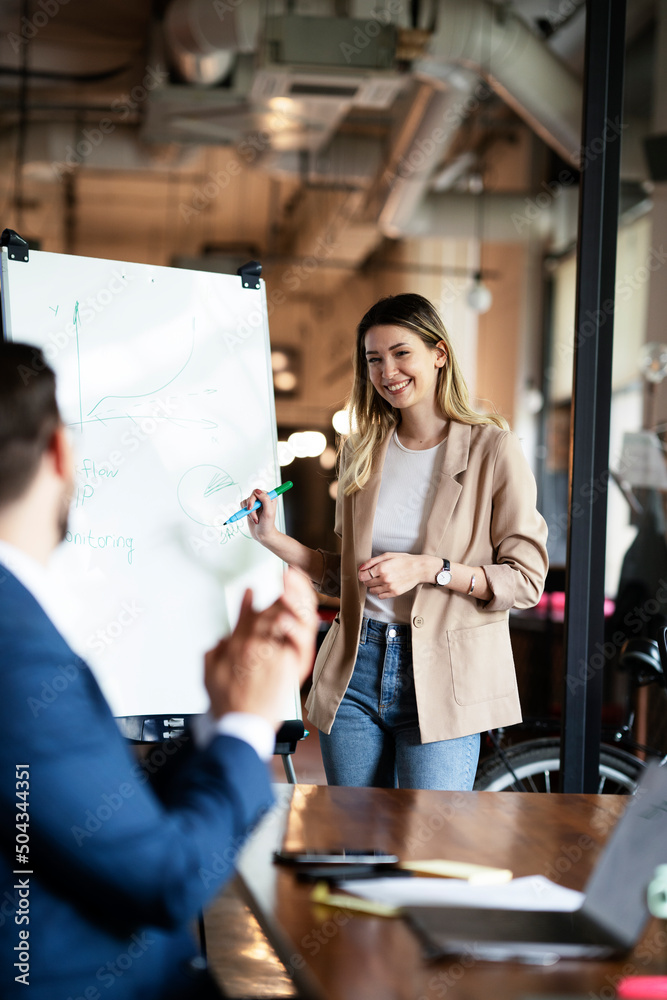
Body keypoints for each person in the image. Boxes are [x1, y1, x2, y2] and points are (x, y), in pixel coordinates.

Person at [0, 342, 317, 1000]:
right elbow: (166, 879)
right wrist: (248, 727)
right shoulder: (18, 647)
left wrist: (217, 722)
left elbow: (85, 812)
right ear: (60, 454)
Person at [244, 293, 548, 790]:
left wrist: (430, 568)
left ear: (439, 354)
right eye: (374, 359)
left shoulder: (494, 449)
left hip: (445, 674)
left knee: (429, 851)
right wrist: (272, 536)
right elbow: (344, 575)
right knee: (355, 844)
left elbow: (527, 580)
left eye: (401, 352)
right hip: (356, 669)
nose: (388, 371)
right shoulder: (362, 451)